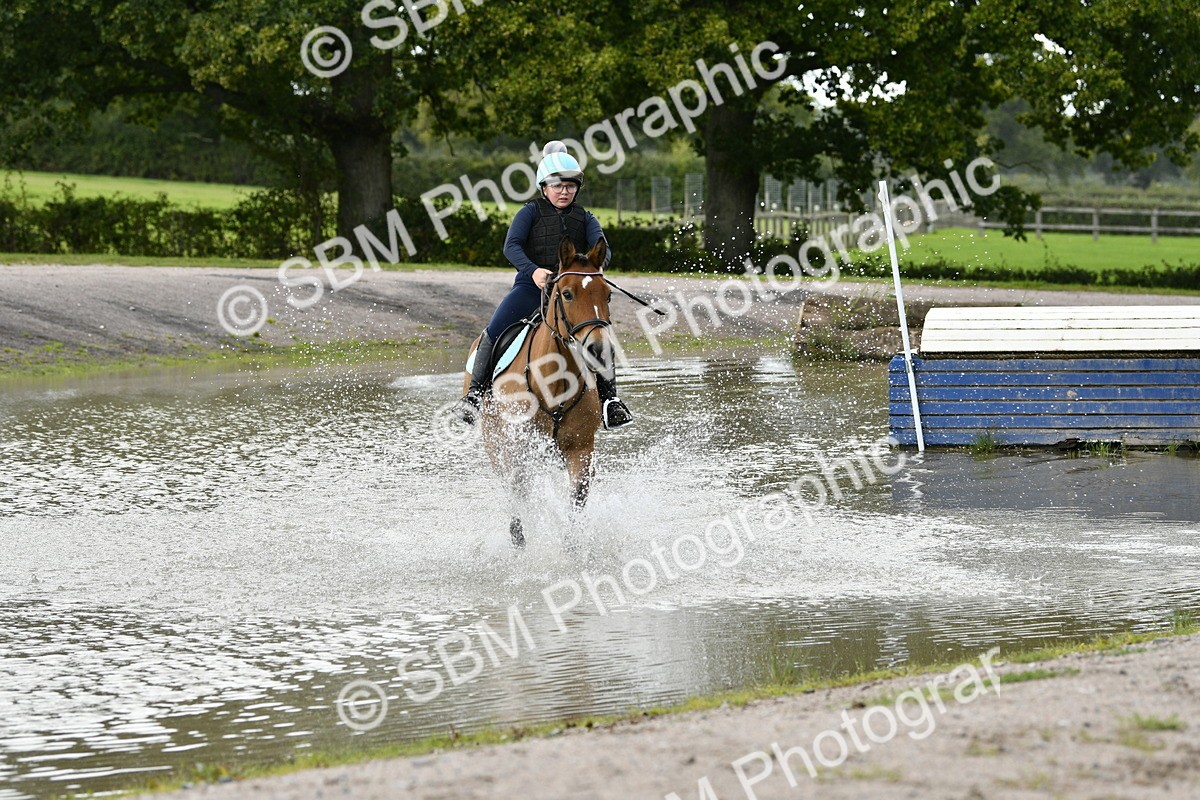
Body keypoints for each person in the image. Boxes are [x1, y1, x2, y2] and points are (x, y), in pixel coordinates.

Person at [459, 141, 634, 431]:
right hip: (531, 288)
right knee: (493, 330)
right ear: (544, 188)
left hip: (571, 293)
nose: (564, 191)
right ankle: (474, 397)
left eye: (570, 186)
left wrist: (594, 267)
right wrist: (533, 271)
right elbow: (511, 246)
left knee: (600, 337)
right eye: (557, 186)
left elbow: (603, 249)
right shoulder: (529, 213)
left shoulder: (586, 218)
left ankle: (609, 402)